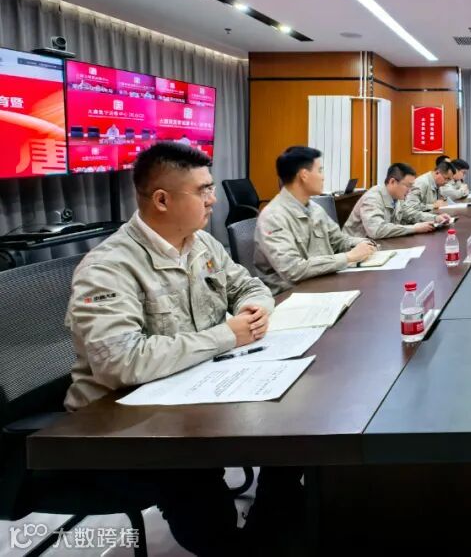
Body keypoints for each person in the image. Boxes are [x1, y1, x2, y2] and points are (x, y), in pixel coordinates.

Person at [64, 143, 277, 554]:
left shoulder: (201, 244)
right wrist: (227, 335)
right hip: (121, 425)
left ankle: (276, 528)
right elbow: (120, 361)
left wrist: (255, 309)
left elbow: (248, 285)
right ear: (162, 200)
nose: (213, 199)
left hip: (191, 393)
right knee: (195, 482)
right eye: (202, 190)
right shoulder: (109, 266)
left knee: (288, 431)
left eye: (211, 188)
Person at [254, 146, 375, 294]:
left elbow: (339, 241)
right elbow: (293, 270)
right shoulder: (273, 217)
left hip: (323, 284)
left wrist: (364, 244)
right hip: (291, 295)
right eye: (319, 170)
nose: (323, 177)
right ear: (304, 175)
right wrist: (348, 257)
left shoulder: (315, 208)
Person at [345, 162, 451, 238]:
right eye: (408, 186)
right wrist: (414, 228)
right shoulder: (373, 198)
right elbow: (377, 230)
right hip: (356, 249)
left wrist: (435, 218)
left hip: (378, 245)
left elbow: (410, 213)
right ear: (392, 182)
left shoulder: (397, 197)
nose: (410, 190)